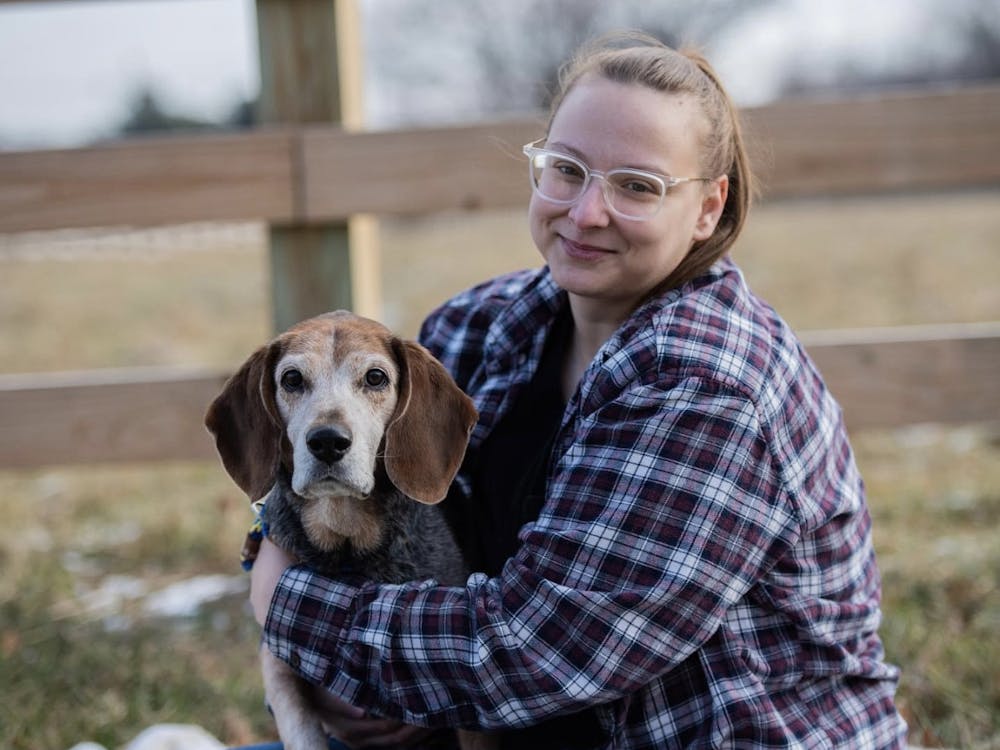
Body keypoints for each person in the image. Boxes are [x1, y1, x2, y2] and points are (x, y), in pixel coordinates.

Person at [246, 32, 907, 749]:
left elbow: (531, 654)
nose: (587, 212)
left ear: (710, 208)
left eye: (636, 186)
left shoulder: (710, 388)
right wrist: (272, 546)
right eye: (567, 170)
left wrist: (288, 606)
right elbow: (349, 482)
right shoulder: (478, 327)